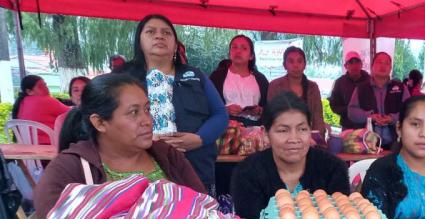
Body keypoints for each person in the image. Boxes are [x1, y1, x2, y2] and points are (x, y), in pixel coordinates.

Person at [32, 73, 206, 219]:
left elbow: (204, 212)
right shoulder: (69, 171)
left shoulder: (167, 156)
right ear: (99, 122)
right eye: (133, 112)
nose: (147, 120)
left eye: (147, 109)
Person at [117, 14, 228, 193]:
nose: (159, 36)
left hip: (195, 168)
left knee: (197, 218)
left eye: (167, 33)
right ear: (139, 42)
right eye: (151, 32)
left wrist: (199, 139)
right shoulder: (122, 79)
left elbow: (220, 114)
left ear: (176, 45)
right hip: (139, 170)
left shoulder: (195, 75)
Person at [231, 92, 350, 219]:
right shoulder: (247, 173)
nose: (294, 139)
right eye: (283, 131)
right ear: (265, 134)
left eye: (302, 129)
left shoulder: (333, 169)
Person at [347, 52, 410, 149]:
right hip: (366, 144)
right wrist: (369, 116)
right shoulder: (361, 89)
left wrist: (392, 118)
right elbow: (351, 112)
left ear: (390, 68)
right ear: (372, 66)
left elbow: (410, 111)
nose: (383, 66)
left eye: (387, 63)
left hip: (396, 144)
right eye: (379, 62)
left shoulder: (401, 88)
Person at [267, 46, 327, 142]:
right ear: (284, 65)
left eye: (299, 61)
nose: (296, 65)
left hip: (308, 139)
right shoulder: (275, 85)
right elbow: (271, 115)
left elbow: (318, 116)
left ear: (305, 65)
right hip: (283, 138)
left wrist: (318, 140)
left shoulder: (312, 87)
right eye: (291, 61)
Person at [209, 35, 270, 127]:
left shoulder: (261, 79)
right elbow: (206, 103)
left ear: (251, 56)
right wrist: (225, 110)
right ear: (229, 53)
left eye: (244, 48)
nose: (238, 51)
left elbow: (269, 107)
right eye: (234, 47)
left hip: (254, 131)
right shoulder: (217, 76)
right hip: (225, 128)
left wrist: (260, 110)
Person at [11, 75, 70, 145]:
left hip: (27, 146)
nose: (46, 88)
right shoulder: (46, 101)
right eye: (40, 87)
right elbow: (72, 113)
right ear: (29, 91)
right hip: (51, 145)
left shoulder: (21, 102)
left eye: (45, 85)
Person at [328, 51, 370, 130]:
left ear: (361, 64)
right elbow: (334, 106)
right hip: (347, 127)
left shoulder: (370, 81)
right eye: (351, 63)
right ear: (345, 66)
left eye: (357, 62)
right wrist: (351, 111)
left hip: (367, 126)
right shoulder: (339, 83)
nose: (354, 66)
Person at [54, 76, 91, 146]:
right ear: (71, 96)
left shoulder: (103, 116)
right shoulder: (62, 119)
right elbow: (59, 150)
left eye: (85, 89)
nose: (80, 94)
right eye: (76, 90)